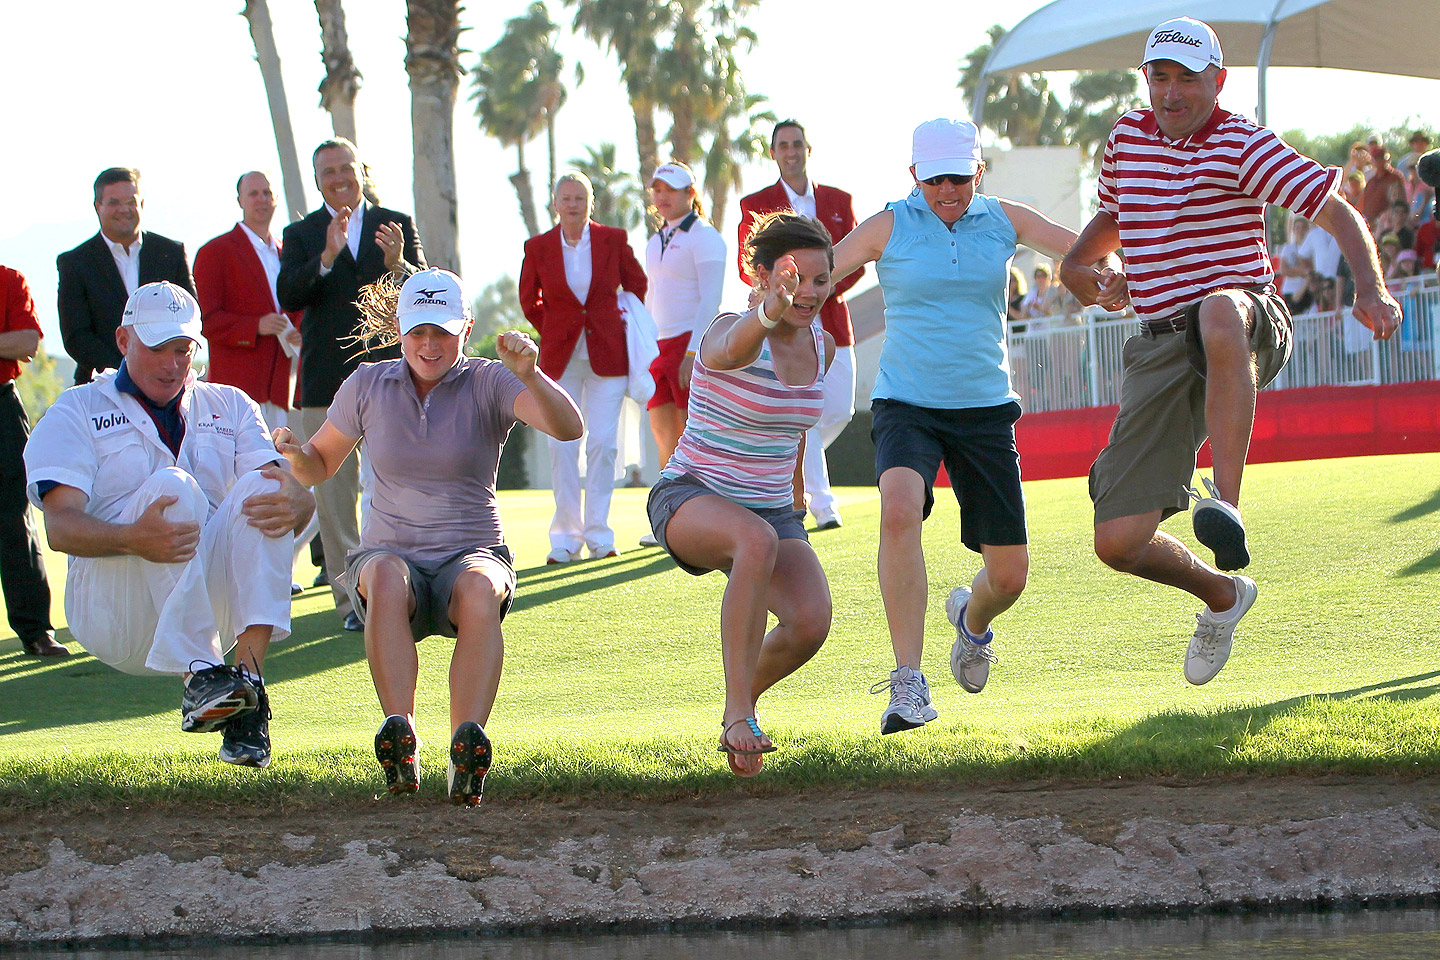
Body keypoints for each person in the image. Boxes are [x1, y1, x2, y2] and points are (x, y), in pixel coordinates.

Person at [1058, 17, 1401, 687]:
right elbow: (1113, 217)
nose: (1173, 92)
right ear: (1146, 80)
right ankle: (1221, 595)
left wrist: (1371, 288)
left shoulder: (1242, 142)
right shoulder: (1126, 138)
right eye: (1161, 77)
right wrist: (1079, 267)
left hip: (1245, 321)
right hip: (1159, 345)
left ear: (1218, 80)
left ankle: (1227, 505)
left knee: (1217, 310)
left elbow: (1335, 211)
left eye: (1189, 78)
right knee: (1118, 542)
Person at [272, 268, 582, 805]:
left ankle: (468, 748)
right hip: (391, 553)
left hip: (472, 551)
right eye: (418, 331)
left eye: (442, 331)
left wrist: (531, 375)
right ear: (399, 329)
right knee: (386, 579)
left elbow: (569, 427)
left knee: (482, 589)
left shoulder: (490, 379)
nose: (429, 345)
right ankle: (401, 735)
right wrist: (296, 455)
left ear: (466, 326)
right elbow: (318, 464)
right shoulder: (367, 383)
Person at [830, 118, 1082, 734]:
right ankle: (908, 684)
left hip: (984, 409)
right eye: (935, 178)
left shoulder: (1004, 218)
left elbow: (1081, 247)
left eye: (960, 177)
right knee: (898, 506)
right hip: (906, 403)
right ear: (914, 175)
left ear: (979, 171)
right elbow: (822, 274)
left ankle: (971, 620)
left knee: (1009, 575)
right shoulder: (889, 224)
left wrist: (1112, 276)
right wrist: (769, 307)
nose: (948, 190)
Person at [24, 282, 314, 767]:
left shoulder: (232, 405)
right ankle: (200, 675)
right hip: (115, 611)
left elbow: (282, 492)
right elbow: (60, 529)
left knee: (270, 489)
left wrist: (299, 503)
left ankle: (246, 697)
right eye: (156, 347)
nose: (171, 362)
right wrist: (129, 538)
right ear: (123, 341)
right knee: (172, 487)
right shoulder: (76, 409)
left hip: (211, 606)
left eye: (182, 348)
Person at [647, 212, 835, 776]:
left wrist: (797, 503)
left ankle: (741, 699)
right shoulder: (727, 328)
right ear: (759, 276)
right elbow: (730, 351)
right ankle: (737, 715)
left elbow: (795, 431)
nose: (807, 292)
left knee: (810, 622)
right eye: (792, 278)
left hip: (772, 510)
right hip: (690, 496)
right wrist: (768, 314)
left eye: (820, 280)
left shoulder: (822, 345)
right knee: (754, 540)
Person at [277, 138, 425, 630]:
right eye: (327, 172)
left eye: (345, 169)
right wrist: (326, 255)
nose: (337, 178)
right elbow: (290, 292)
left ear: (360, 172)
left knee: (397, 482)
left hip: (393, 375)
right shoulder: (300, 234)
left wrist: (397, 263)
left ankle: (401, 589)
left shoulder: (395, 223)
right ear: (317, 179)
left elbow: (428, 291)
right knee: (334, 495)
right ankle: (352, 603)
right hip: (325, 378)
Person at [736, 120, 864, 530]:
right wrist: (785, 295)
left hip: (835, 321)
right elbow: (748, 264)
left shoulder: (838, 200)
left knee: (839, 408)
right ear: (773, 153)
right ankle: (822, 502)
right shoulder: (755, 203)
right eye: (782, 146)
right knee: (804, 414)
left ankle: (784, 454)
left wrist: (819, 288)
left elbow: (858, 257)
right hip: (784, 325)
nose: (791, 151)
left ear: (809, 149)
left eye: (797, 144)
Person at [519, 171, 648, 563]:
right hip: (560, 359)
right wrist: (557, 329)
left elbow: (637, 284)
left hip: (608, 355)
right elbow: (529, 299)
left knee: (604, 444)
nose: (573, 204)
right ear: (555, 204)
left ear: (590, 202)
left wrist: (615, 318)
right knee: (562, 445)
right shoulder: (538, 246)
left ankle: (599, 535)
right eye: (566, 198)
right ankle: (564, 539)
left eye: (580, 198)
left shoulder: (613, 239)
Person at [57, 167, 195, 385]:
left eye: (131, 202)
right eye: (114, 202)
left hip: (168, 381)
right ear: (98, 207)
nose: (124, 209)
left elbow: (189, 317)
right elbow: (76, 336)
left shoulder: (171, 253)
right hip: (100, 386)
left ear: (142, 204)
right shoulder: (75, 263)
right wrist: (128, 371)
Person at [194, 171, 303, 432]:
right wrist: (255, 326)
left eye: (267, 193)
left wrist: (301, 333)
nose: (261, 199)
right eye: (253, 193)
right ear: (240, 200)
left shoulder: (287, 252)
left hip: (279, 386)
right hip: (235, 387)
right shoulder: (215, 252)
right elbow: (206, 322)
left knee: (275, 465)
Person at [0, 265, 63, 657]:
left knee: (14, 519)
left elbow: (27, 341)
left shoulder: (9, 280)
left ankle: (35, 630)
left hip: (1, 407)